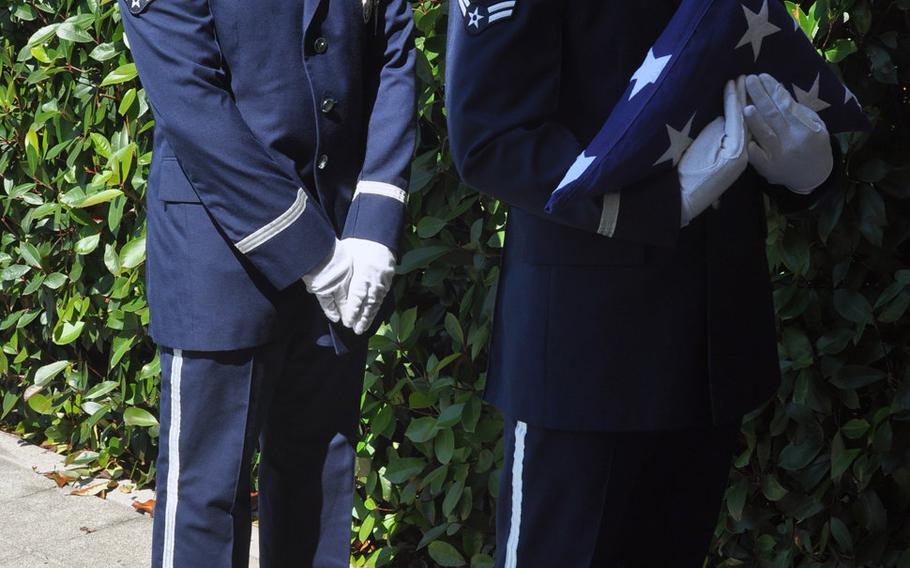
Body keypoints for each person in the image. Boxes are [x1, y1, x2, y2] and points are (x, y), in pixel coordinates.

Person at [445, 1, 839, 566]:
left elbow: (752, 52)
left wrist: (812, 168)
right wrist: (655, 203)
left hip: (709, 345)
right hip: (586, 360)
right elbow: (490, 135)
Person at [117, 0, 416, 566]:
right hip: (219, 255)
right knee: (206, 500)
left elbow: (395, 56)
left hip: (346, 244)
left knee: (320, 485)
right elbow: (192, 102)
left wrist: (375, 226)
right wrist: (311, 252)